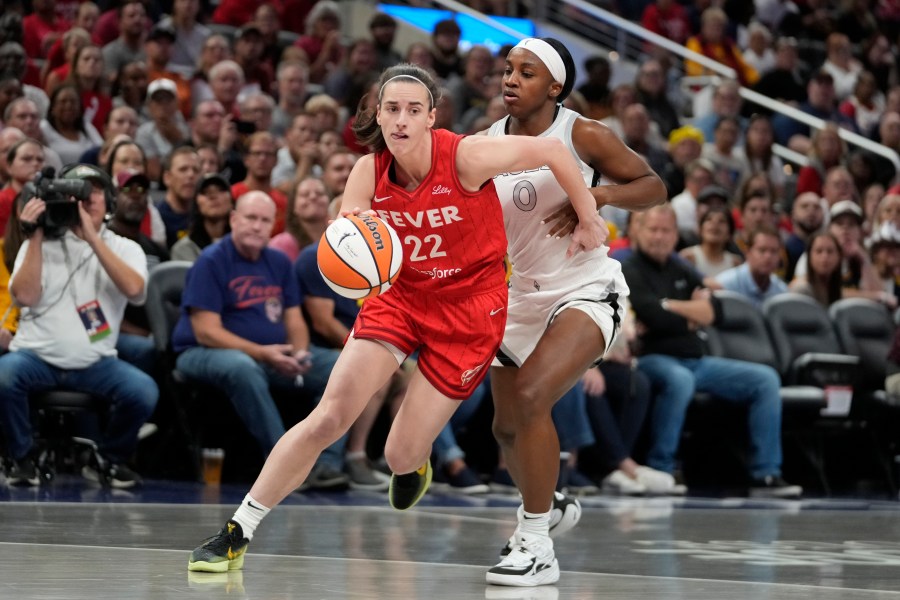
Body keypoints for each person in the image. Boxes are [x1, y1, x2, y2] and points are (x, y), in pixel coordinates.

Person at [187, 63, 608, 583]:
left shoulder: (467, 156)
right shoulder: (368, 171)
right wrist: (351, 236)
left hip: (469, 310)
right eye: (392, 109)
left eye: (414, 110)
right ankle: (238, 530)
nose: (402, 120)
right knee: (330, 415)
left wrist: (588, 213)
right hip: (400, 297)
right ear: (379, 115)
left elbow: (550, 150)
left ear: (431, 117)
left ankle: (414, 464)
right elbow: (349, 248)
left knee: (399, 453)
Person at [484, 38, 667, 585]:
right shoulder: (486, 142)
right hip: (521, 295)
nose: (511, 80)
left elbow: (653, 185)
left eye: (527, 73)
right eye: (508, 71)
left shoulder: (582, 133)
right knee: (505, 427)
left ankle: (536, 540)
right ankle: (551, 503)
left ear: (555, 86)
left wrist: (600, 197)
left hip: (585, 286)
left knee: (532, 395)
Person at [172, 190, 349, 489]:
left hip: (270, 355)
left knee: (342, 368)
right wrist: (262, 353)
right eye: (250, 218)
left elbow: (294, 319)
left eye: (264, 220)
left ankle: (326, 463)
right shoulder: (212, 260)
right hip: (202, 352)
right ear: (233, 219)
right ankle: (284, 465)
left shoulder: (278, 263)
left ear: (273, 226)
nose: (257, 226)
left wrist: (301, 353)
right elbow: (206, 330)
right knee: (242, 366)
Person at [622, 204, 801, 499]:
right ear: (637, 232)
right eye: (652, 229)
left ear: (675, 234)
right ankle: (661, 468)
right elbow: (652, 316)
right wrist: (690, 312)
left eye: (666, 230)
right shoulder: (630, 268)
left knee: (765, 379)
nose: (659, 236)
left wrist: (670, 305)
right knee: (680, 380)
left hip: (696, 361)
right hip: (652, 358)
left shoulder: (680, 266)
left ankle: (766, 474)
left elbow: (717, 310)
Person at [0, 163, 158, 487]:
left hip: (95, 362)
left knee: (143, 391)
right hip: (35, 357)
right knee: (3, 376)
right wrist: (36, 233)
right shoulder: (39, 243)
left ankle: (108, 460)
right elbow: (26, 296)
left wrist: (92, 238)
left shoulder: (125, 248)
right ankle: (22, 458)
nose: (86, 198)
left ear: (110, 204)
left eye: (94, 191)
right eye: (76, 191)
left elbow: (135, 291)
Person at [715, 224, 789, 307]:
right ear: (748, 252)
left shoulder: (782, 292)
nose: (768, 256)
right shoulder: (725, 285)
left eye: (774, 251)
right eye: (762, 250)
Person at [789, 231, 844, 307]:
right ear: (809, 256)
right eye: (819, 251)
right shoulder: (801, 289)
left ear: (839, 256)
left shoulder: (835, 289)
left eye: (830, 251)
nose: (825, 257)